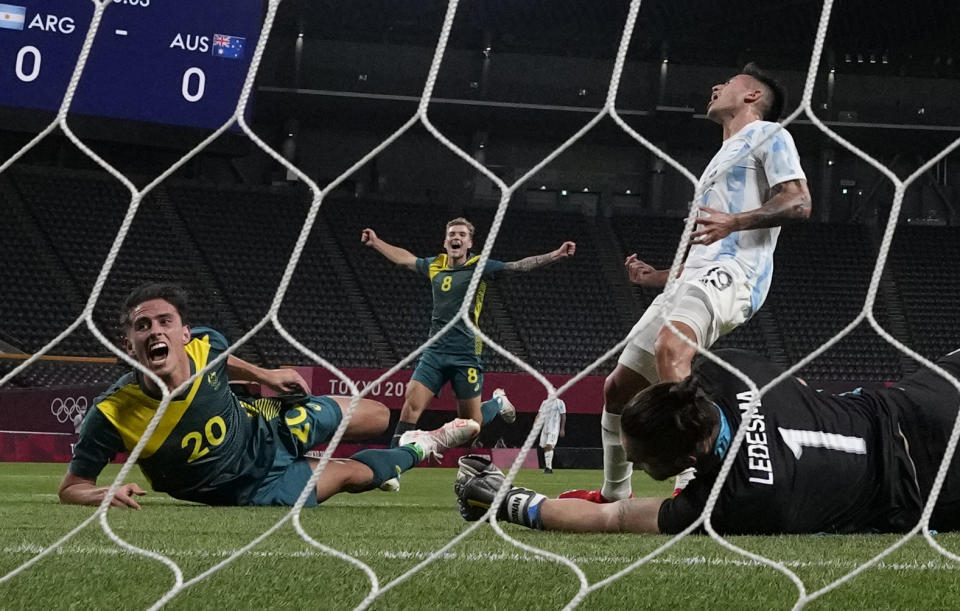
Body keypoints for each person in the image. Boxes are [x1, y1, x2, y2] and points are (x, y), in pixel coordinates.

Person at [563, 62, 811, 504]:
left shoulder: (770, 134)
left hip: (736, 273)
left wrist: (736, 220)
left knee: (672, 350)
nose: (716, 85)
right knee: (618, 387)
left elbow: (798, 202)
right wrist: (656, 277)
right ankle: (615, 493)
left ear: (753, 95)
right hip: (695, 277)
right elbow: (702, 248)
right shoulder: (720, 159)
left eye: (729, 82)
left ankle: (697, 488)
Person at [58, 283, 479, 509]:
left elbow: (224, 358)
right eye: (142, 326)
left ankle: (392, 441)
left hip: (266, 430)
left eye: (165, 321)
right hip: (248, 489)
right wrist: (99, 494)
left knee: (375, 415)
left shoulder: (208, 343)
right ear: (127, 344)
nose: (155, 331)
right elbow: (71, 486)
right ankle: (426, 443)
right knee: (354, 475)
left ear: (185, 334)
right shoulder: (111, 413)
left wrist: (266, 374)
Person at [457, 347, 960, 535]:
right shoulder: (732, 372)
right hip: (922, 402)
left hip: (929, 484)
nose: (627, 456)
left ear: (686, 458)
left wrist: (511, 503)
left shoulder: (740, 499)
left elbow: (617, 516)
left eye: (637, 456)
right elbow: (800, 388)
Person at [361, 217, 575, 447]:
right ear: (445, 242)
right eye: (452, 234)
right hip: (435, 350)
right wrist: (376, 242)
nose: (456, 237)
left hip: (466, 353)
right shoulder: (435, 265)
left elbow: (517, 266)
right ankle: (394, 465)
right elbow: (406, 259)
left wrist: (555, 255)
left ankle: (497, 403)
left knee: (470, 425)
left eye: (462, 235)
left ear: (469, 243)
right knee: (411, 405)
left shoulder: (479, 266)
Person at [539, 397, 566, 474]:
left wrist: (562, 428)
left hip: (554, 428)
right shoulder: (544, 402)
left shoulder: (560, 402)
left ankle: (549, 468)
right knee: (544, 447)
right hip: (545, 429)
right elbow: (539, 414)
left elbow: (563, 415)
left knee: (549, 446)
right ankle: (547, 466)